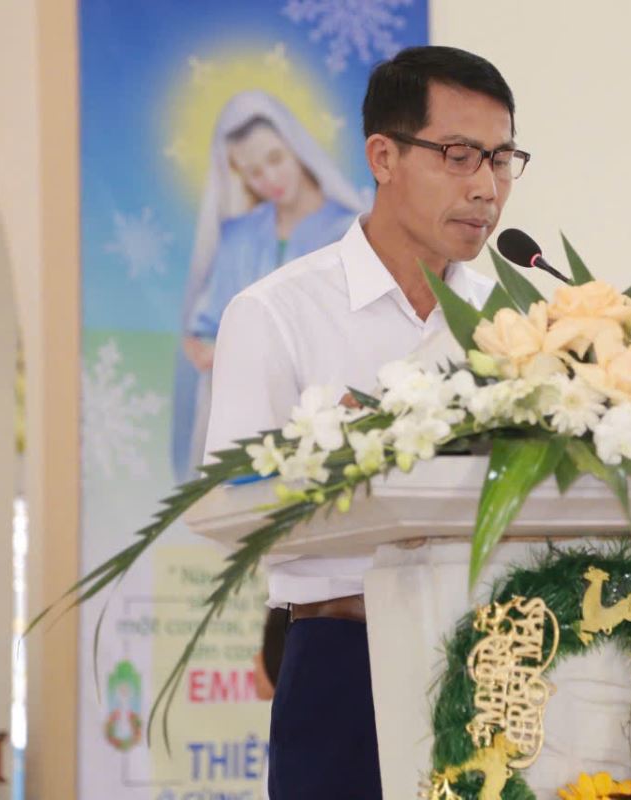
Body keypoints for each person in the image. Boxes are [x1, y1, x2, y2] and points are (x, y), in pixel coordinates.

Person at [203, 46, 528, 798]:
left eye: (501, 160)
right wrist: (373, 478)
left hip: (505, 660)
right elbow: (232, 511)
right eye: (458, 155)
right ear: (383, 156)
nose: (485, 187)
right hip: (344, 656)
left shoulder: (515, 321)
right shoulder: (276, 313)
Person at [170, 90, 365, 483]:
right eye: (253, 172)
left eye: (276, 159)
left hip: (326, 421)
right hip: (247, 425)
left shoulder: (350, 230)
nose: (270, 180)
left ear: (297, 149)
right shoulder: (239, 235)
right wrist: (212, 351)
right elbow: (203, 332)